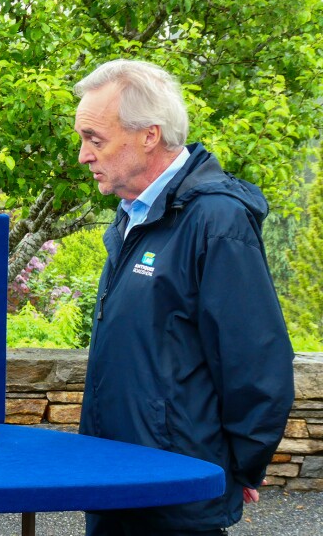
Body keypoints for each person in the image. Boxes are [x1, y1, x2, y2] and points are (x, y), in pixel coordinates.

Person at [73, 59, 295, 535]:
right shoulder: (133, 215)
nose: (83, 155)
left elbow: (256, 363)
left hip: (177, 489)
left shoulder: (215, 221)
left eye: (95, 139)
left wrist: (238, 467)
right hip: (116, 478)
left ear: (149, 135)